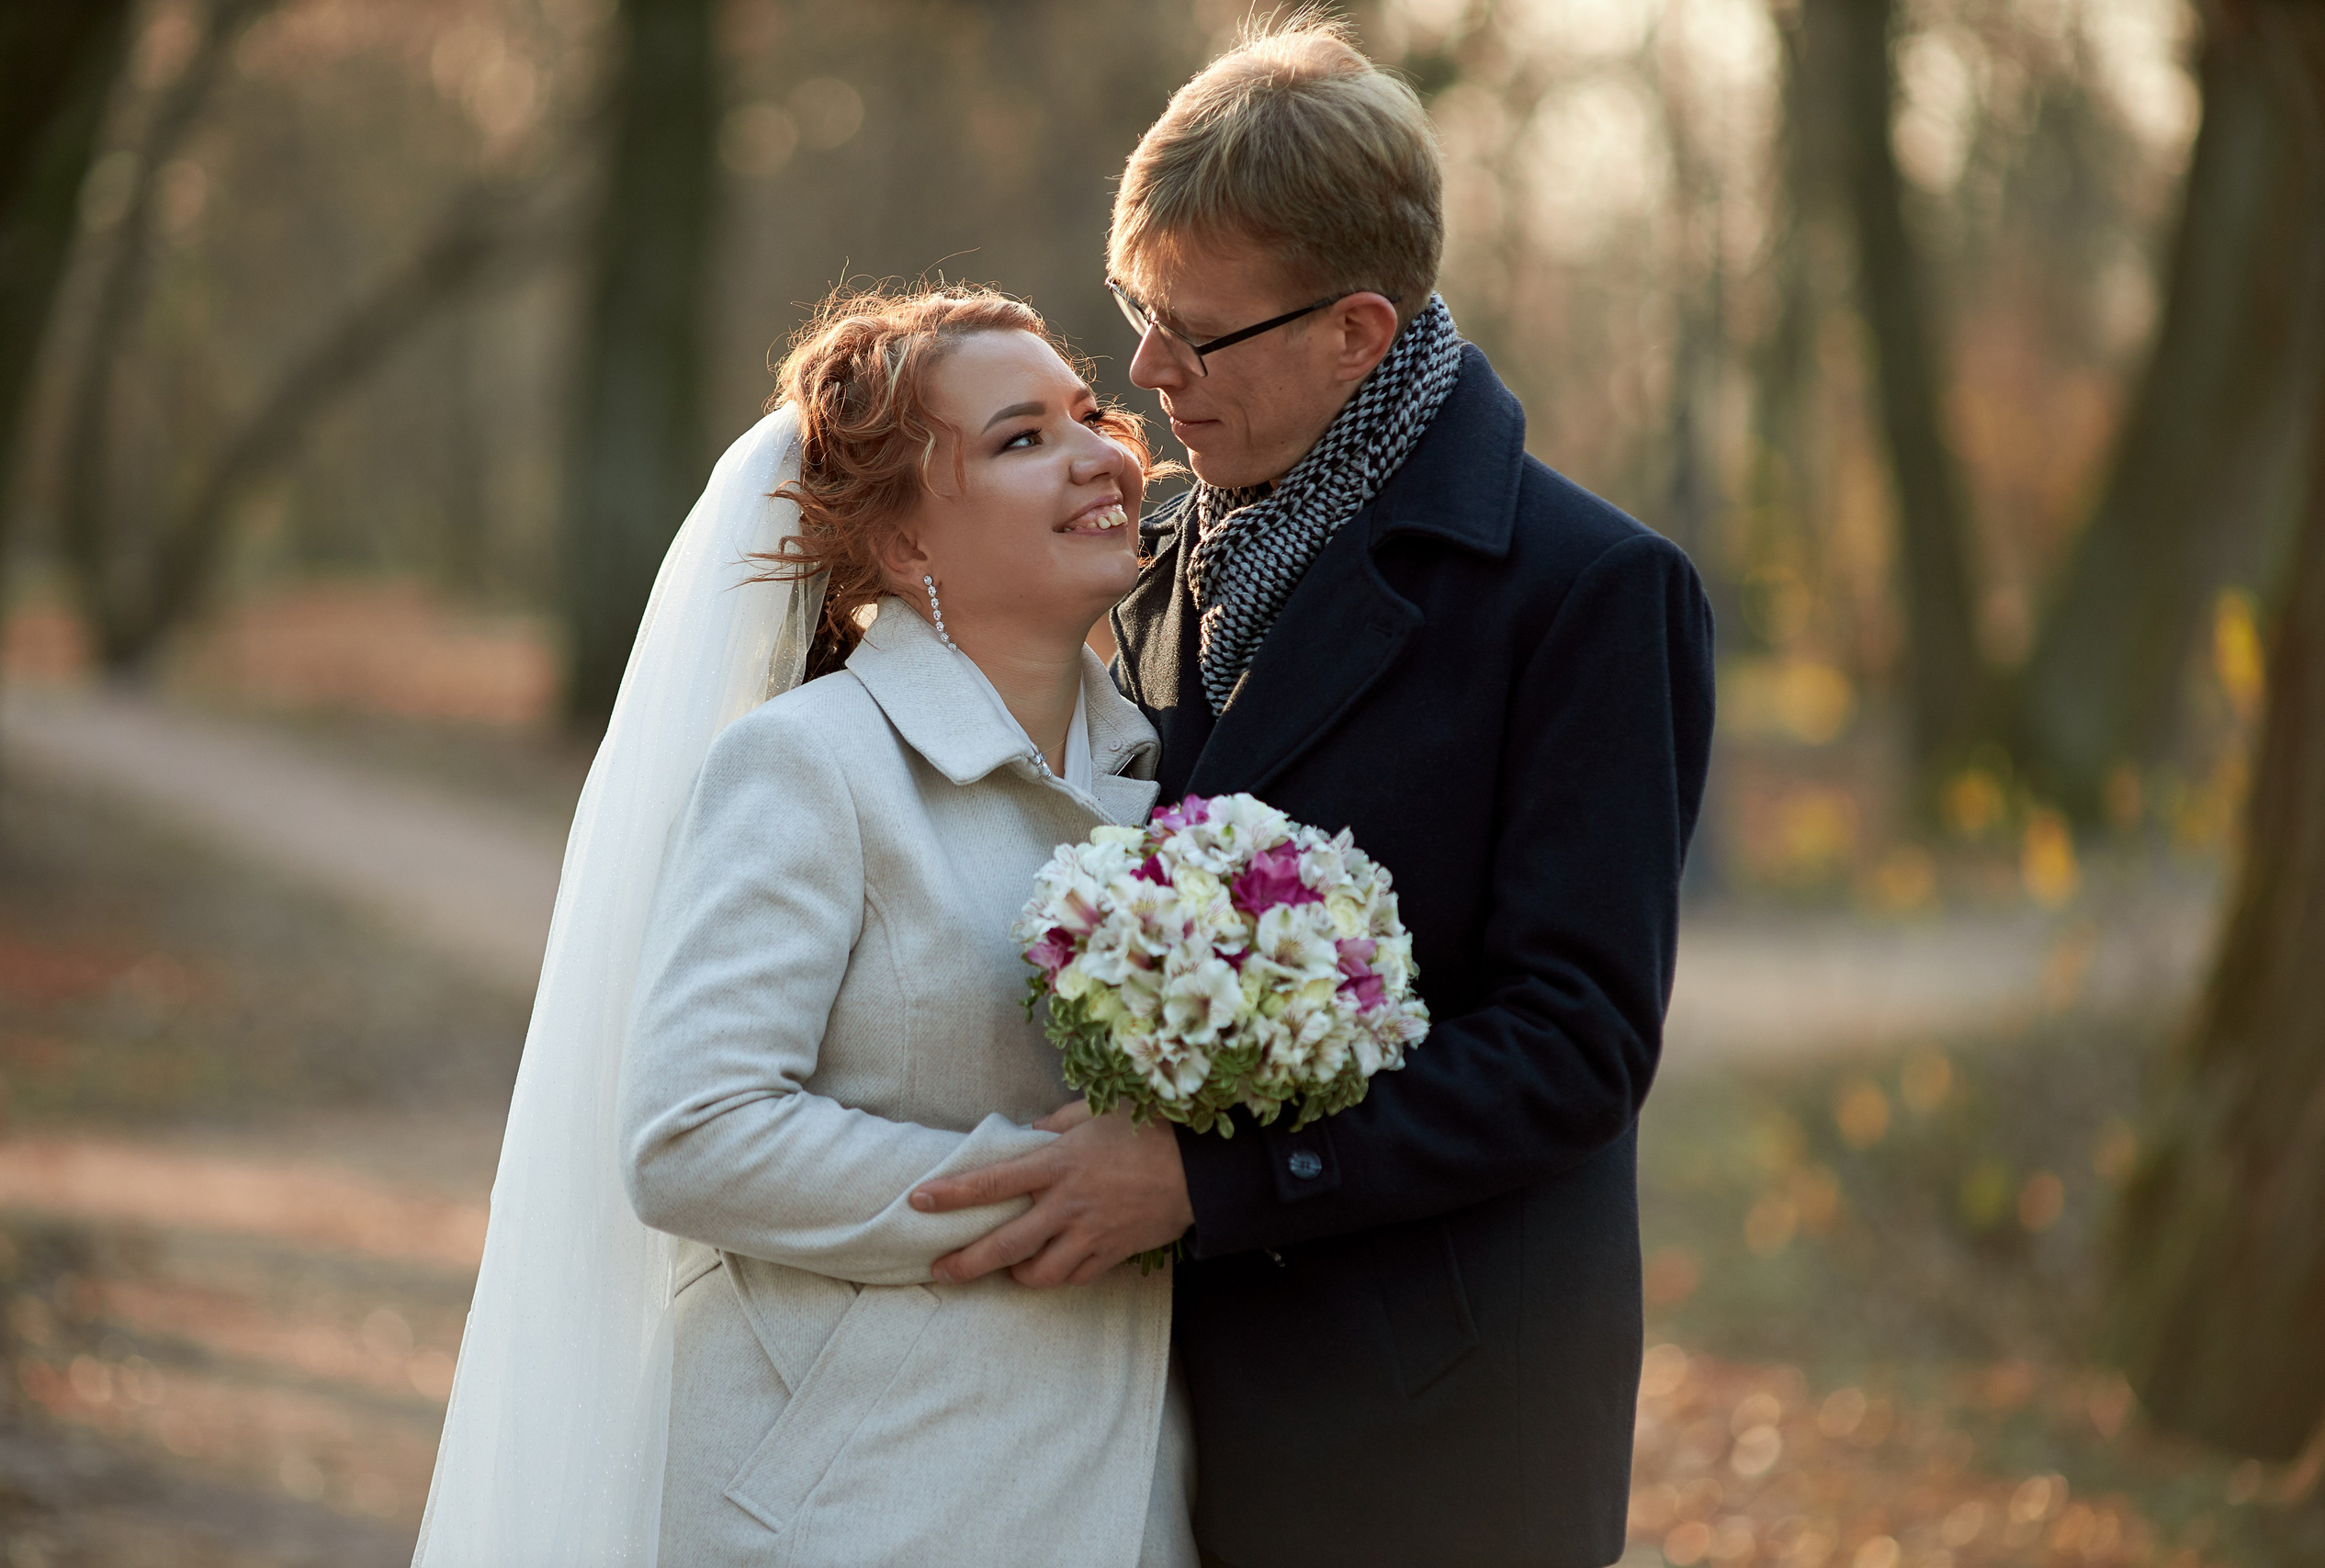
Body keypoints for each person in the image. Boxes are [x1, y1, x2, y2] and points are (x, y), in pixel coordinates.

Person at [908, 19, 1718, 1568]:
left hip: (1430, 1431)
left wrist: (1212, 1185)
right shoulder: (1146, 555)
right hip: (1140, 1407)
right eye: (1135, 311)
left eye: (1191, 334)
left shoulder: (1590, 593)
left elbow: (1576, 1046)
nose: (1140, 376)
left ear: (1357, 330)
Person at [411, 286, 1196, 1567]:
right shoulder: (811, 767)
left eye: (1087, 413)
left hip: (1128, 1502)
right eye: (1021, 438)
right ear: (899, 545)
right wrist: (1049, 1196)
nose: (1103, 456)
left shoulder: (1173, 783)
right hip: (862, 1504)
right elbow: (695, 1132)